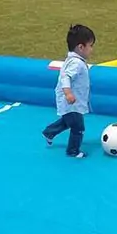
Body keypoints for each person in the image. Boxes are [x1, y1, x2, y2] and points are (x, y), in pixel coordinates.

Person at [42, 24, 96, 158]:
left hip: (71, 101)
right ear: (81, 47)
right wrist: (68, 93)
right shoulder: (76, 63)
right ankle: (73, 150)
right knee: (78, 127)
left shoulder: (74, 60)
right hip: (71, 102)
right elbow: (66, 76)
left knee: (67, 121)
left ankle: (49, 132)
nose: (92, 49)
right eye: (90, 46)